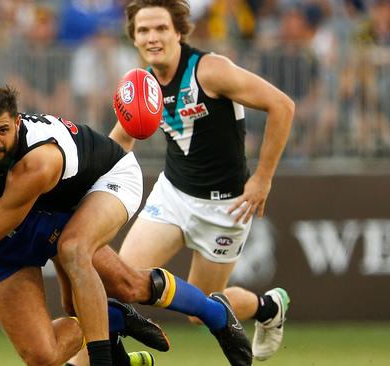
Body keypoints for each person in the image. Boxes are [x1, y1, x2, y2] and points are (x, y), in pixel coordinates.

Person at [0, 87, 253, 365]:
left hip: (70, 198)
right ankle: (109, 320)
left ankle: (209, 315)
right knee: (42, 355)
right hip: (7, 234)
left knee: (116, 277)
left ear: (18, 124)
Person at [109, 0, 295, 362]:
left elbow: (282, 106)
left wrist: (262, 178)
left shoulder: (210, 70)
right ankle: (118, 358)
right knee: (118, 282)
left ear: (178, 32)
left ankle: (267, 307)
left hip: (225, 208)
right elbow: (120, 139)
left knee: (202, 312)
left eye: (161, 28)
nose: (153, 37)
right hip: (173, 195)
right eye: (144, 30)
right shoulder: (142, 83)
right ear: (134, 38)